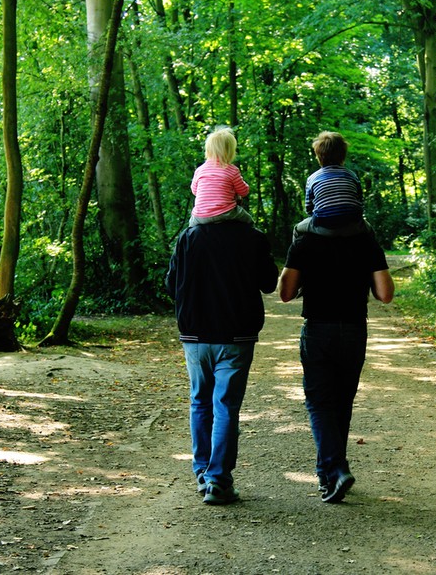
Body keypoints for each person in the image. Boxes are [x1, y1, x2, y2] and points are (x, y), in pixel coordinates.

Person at [278, 226, 394, 503]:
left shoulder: (305, 242)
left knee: (319, 403)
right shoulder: (366, 241)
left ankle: (336, 468)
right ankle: (328, 476)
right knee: (342, 403)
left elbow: (285, 293)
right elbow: (385, 294)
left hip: (318, 330)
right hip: (354, 330)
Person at [166, 220, 278, 504]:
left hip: (195, 335)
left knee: (200, 401)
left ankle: (203, 476)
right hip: (236, 335)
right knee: (225, 405)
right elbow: (268, 284)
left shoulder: (188, 236)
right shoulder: (253, 237)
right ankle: (218, 480)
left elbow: (170, 284)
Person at [293, 131, 370, 239]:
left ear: (318, 156)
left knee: (297, 229)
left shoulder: (312, 178)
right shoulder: (351, 175)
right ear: (343, 154)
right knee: (370, 231)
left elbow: (309, 209)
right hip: (352, 226)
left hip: (325, 227)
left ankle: (296, 256)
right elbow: (360, 201)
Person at [190, 126, 253, 226]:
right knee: (249, 221)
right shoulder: (232, 170)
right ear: (230, 152)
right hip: (226, 212)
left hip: (200, 217)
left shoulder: (200, 170)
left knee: (189, 232)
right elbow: (244, 191)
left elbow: (194, 191)